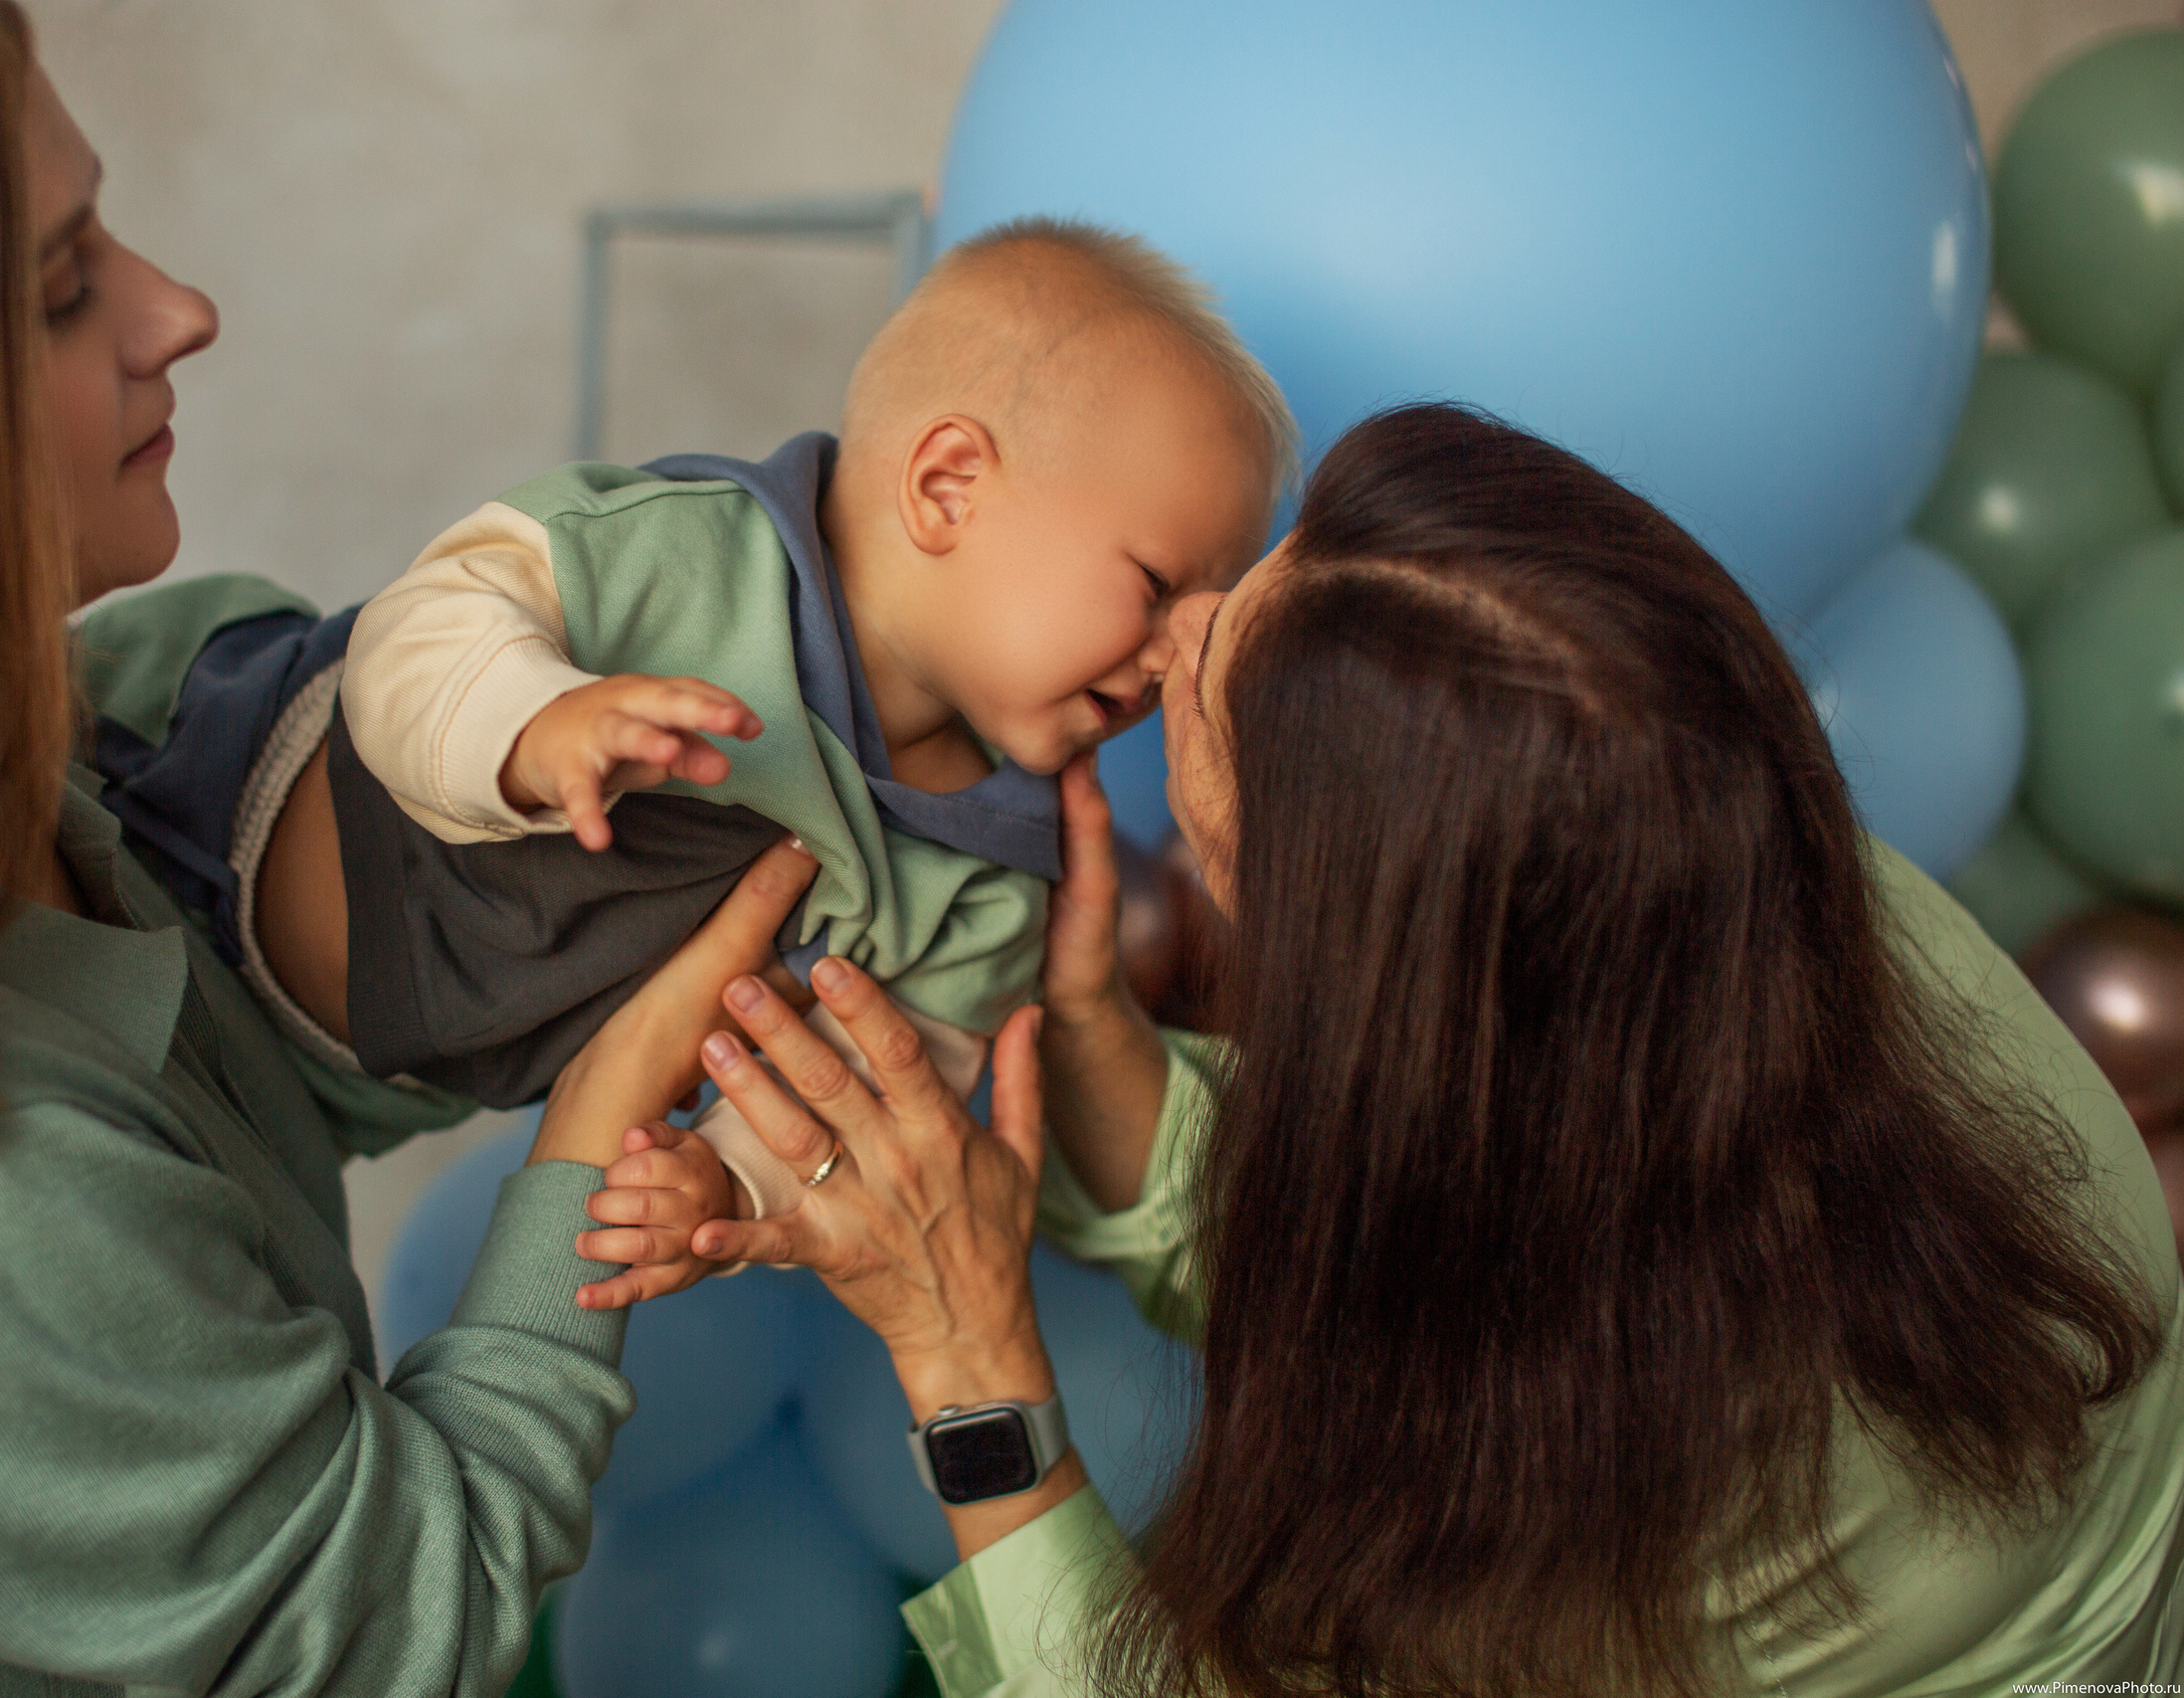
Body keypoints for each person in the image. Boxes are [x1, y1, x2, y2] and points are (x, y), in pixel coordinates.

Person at [0, 4, 817, 1692]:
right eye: (63, 290)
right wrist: (602, 1122)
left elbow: (249, 1082)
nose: (177, 313)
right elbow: (403, 1610)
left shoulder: (58, 772)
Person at [677, 406, 2184, 1696]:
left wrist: (967, 1356)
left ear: (1353, 938)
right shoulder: (1724, 857)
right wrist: (1093, 1047)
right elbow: (1463, 1176)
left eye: (1214, 699)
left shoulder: (1594, 1486)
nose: (1173, 630)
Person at [103, 221, 1290, 1280]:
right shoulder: (686, 558)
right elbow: (430, 625)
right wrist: (528, 726)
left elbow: (871, 1078)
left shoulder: (990, 885)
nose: (1178, 658)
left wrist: (733, 1182)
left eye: (1210, 611)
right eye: (1155, 584)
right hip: (200, 790)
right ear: (946, 486)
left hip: (322, 1071)